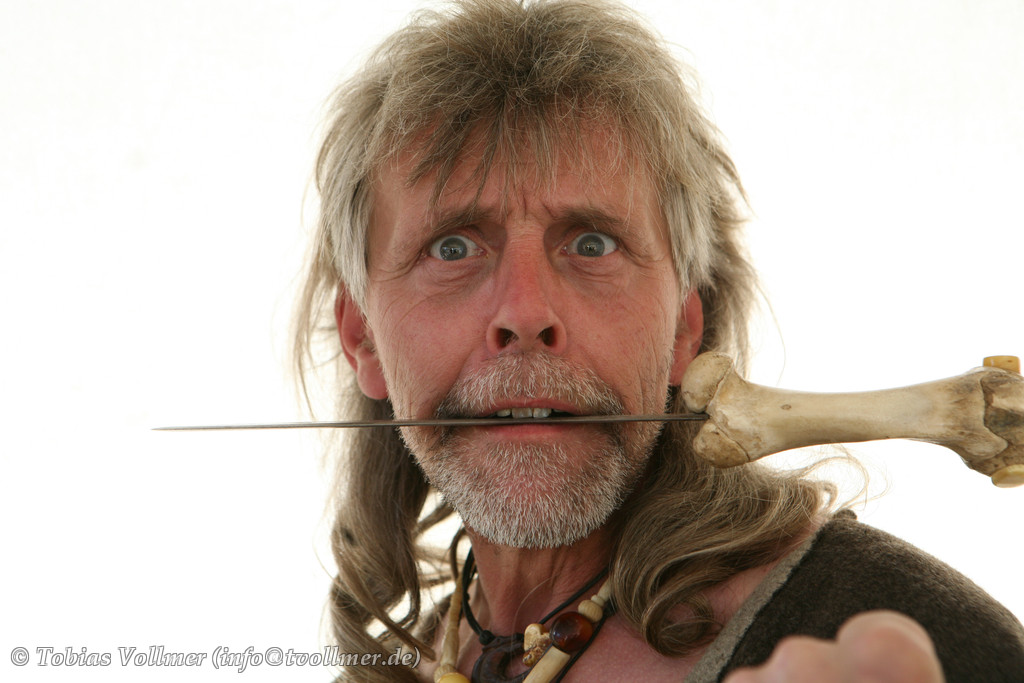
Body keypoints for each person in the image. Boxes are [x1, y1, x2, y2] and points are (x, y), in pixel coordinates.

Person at [292, 1, 1024, 681]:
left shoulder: (902, 639)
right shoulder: (400, 664)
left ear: (683, 328)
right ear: (364, 339)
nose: (525, 311)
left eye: (591, 243)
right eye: (452, 248)